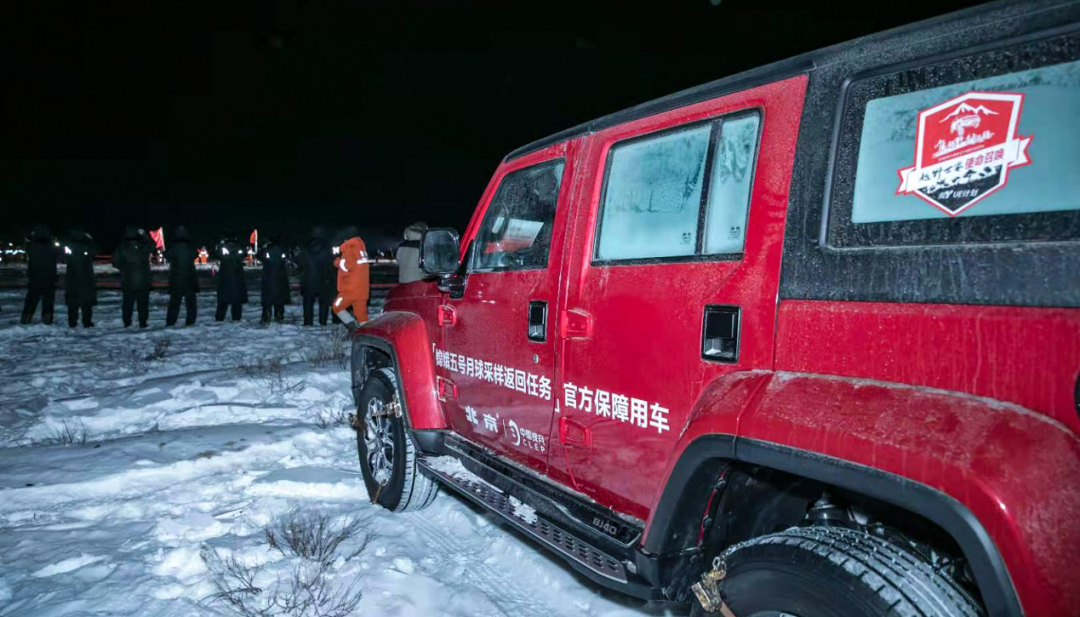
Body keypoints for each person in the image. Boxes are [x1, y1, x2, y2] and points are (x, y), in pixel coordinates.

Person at [112, 226, 153, 328]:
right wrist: (145, 235)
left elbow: (114, 262)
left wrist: (123, 268)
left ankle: (127, 322)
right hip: (143, 280)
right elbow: (153, 245)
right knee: (143, 303)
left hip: (127, 280)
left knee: (128, 303)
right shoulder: (143, 247)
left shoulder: (122, 248)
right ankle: (142, 322)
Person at [332, 227, 371, 333]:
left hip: (350, 289)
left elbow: (347, 266)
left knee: (337, 307)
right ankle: (366, 334)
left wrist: (337, 262)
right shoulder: (361, 249)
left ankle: (353, 330)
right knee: (362, 316)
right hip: (362, 289)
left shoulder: (350, 249)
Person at [298, 226, 335, 326]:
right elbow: (331, 266)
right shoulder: (327, 250)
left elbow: (300, 265)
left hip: (308, 280)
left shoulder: (306, 249)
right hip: (323, 280)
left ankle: (308, 322)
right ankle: (323, 322)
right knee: (323, 303)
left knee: (308, 303)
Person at [21, 224, 58, 325]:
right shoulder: (51, 246)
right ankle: (47, 318)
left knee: (31, 299)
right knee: (48, 299)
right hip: (49, 275)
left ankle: (26, 318)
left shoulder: (31, 245)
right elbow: (55, 258)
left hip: (35, 275)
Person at [165, 225, 199, 326]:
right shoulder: (190, 247)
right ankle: (190, 321)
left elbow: (167, 255)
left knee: (175, 302)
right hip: (189, 278)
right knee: (191, 303)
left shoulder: (173, 247)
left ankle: (171, 321)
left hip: (176, 278)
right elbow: (195, 255)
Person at [63, 230, 97, 328]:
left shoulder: (69, 246)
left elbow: (64, 257)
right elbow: (95, 251)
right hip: (86, 277)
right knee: (86, 301)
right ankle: (86, 321)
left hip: (72, 276)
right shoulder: (88, 246)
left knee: (73, 301)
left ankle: (72, 321)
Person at [213, 233, 247, 321]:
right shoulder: (239, 247)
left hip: (225, 275)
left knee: (223, 300)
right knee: (236, 300)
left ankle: (219, 318)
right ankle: (236, 318)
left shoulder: (223, 247)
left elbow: (216, 254)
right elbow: (244, 254)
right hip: (237, 275)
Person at [259, 236, 289, 324]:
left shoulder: (266, 250)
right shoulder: (282, 250)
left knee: (267, 297)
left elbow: (260, 257)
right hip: (280, 276)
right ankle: (279, 313)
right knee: (280, 297)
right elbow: (285, 260)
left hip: (268, 275)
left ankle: (266, 314)